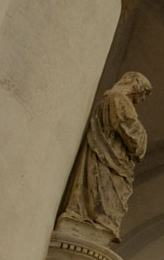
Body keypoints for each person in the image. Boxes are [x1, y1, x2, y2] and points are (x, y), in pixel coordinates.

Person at [61, 74, 152, 239]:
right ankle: (96, 220)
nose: (143, 98)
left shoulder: (110, 100)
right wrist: (143, 139)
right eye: (144, 92)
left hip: (111, 157)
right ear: (136, 84)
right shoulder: (119, 100)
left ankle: (95, 220)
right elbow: (131, 132)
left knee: (102, 192)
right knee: (104, 194)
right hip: (110, 158)